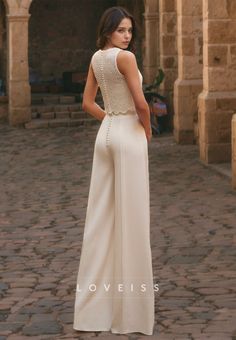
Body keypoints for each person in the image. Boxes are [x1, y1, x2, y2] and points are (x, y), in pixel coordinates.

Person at [73, 6, 155, 335]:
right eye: (121, 30)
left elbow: (87, 103)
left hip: (104, 136)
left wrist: (110, 121)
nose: (127, 36)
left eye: (129, 31)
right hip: (127, 135)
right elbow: (141, 103)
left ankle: (93, 312)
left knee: (100, 220)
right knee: (133, 220)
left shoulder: (96, 58)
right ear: (108, 30)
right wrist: (146, 131)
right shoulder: (127, 59)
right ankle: (131, 314)